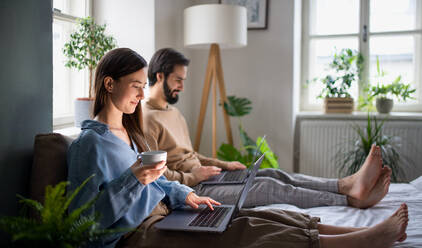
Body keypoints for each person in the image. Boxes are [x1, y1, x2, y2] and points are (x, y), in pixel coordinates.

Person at [68, 48, 408, 248]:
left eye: (143, 86)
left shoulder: (126, 131)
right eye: (135, 86)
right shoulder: (89, 145)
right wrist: (136, 179)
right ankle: (362, 242)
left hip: (166, 211)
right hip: (139, 233)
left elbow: (154, 181)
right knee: (242, 231)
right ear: (109, 84)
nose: (141, 95)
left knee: (251, 214)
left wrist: (184, 195)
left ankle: (359, 228)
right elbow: (82, 226)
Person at [143, 48, 391, 209]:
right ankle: (350, 199)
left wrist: (224, 165)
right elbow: (157, 176)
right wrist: (191, 178)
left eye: (184, 81)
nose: (182, 87)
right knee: (269, 188)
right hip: (190, 191)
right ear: (160, 76)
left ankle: (345, 184)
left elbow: (191, 154)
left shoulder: (173, 112)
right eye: (178, 80)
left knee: (274, 175)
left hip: (205, 177)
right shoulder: (146, 119)